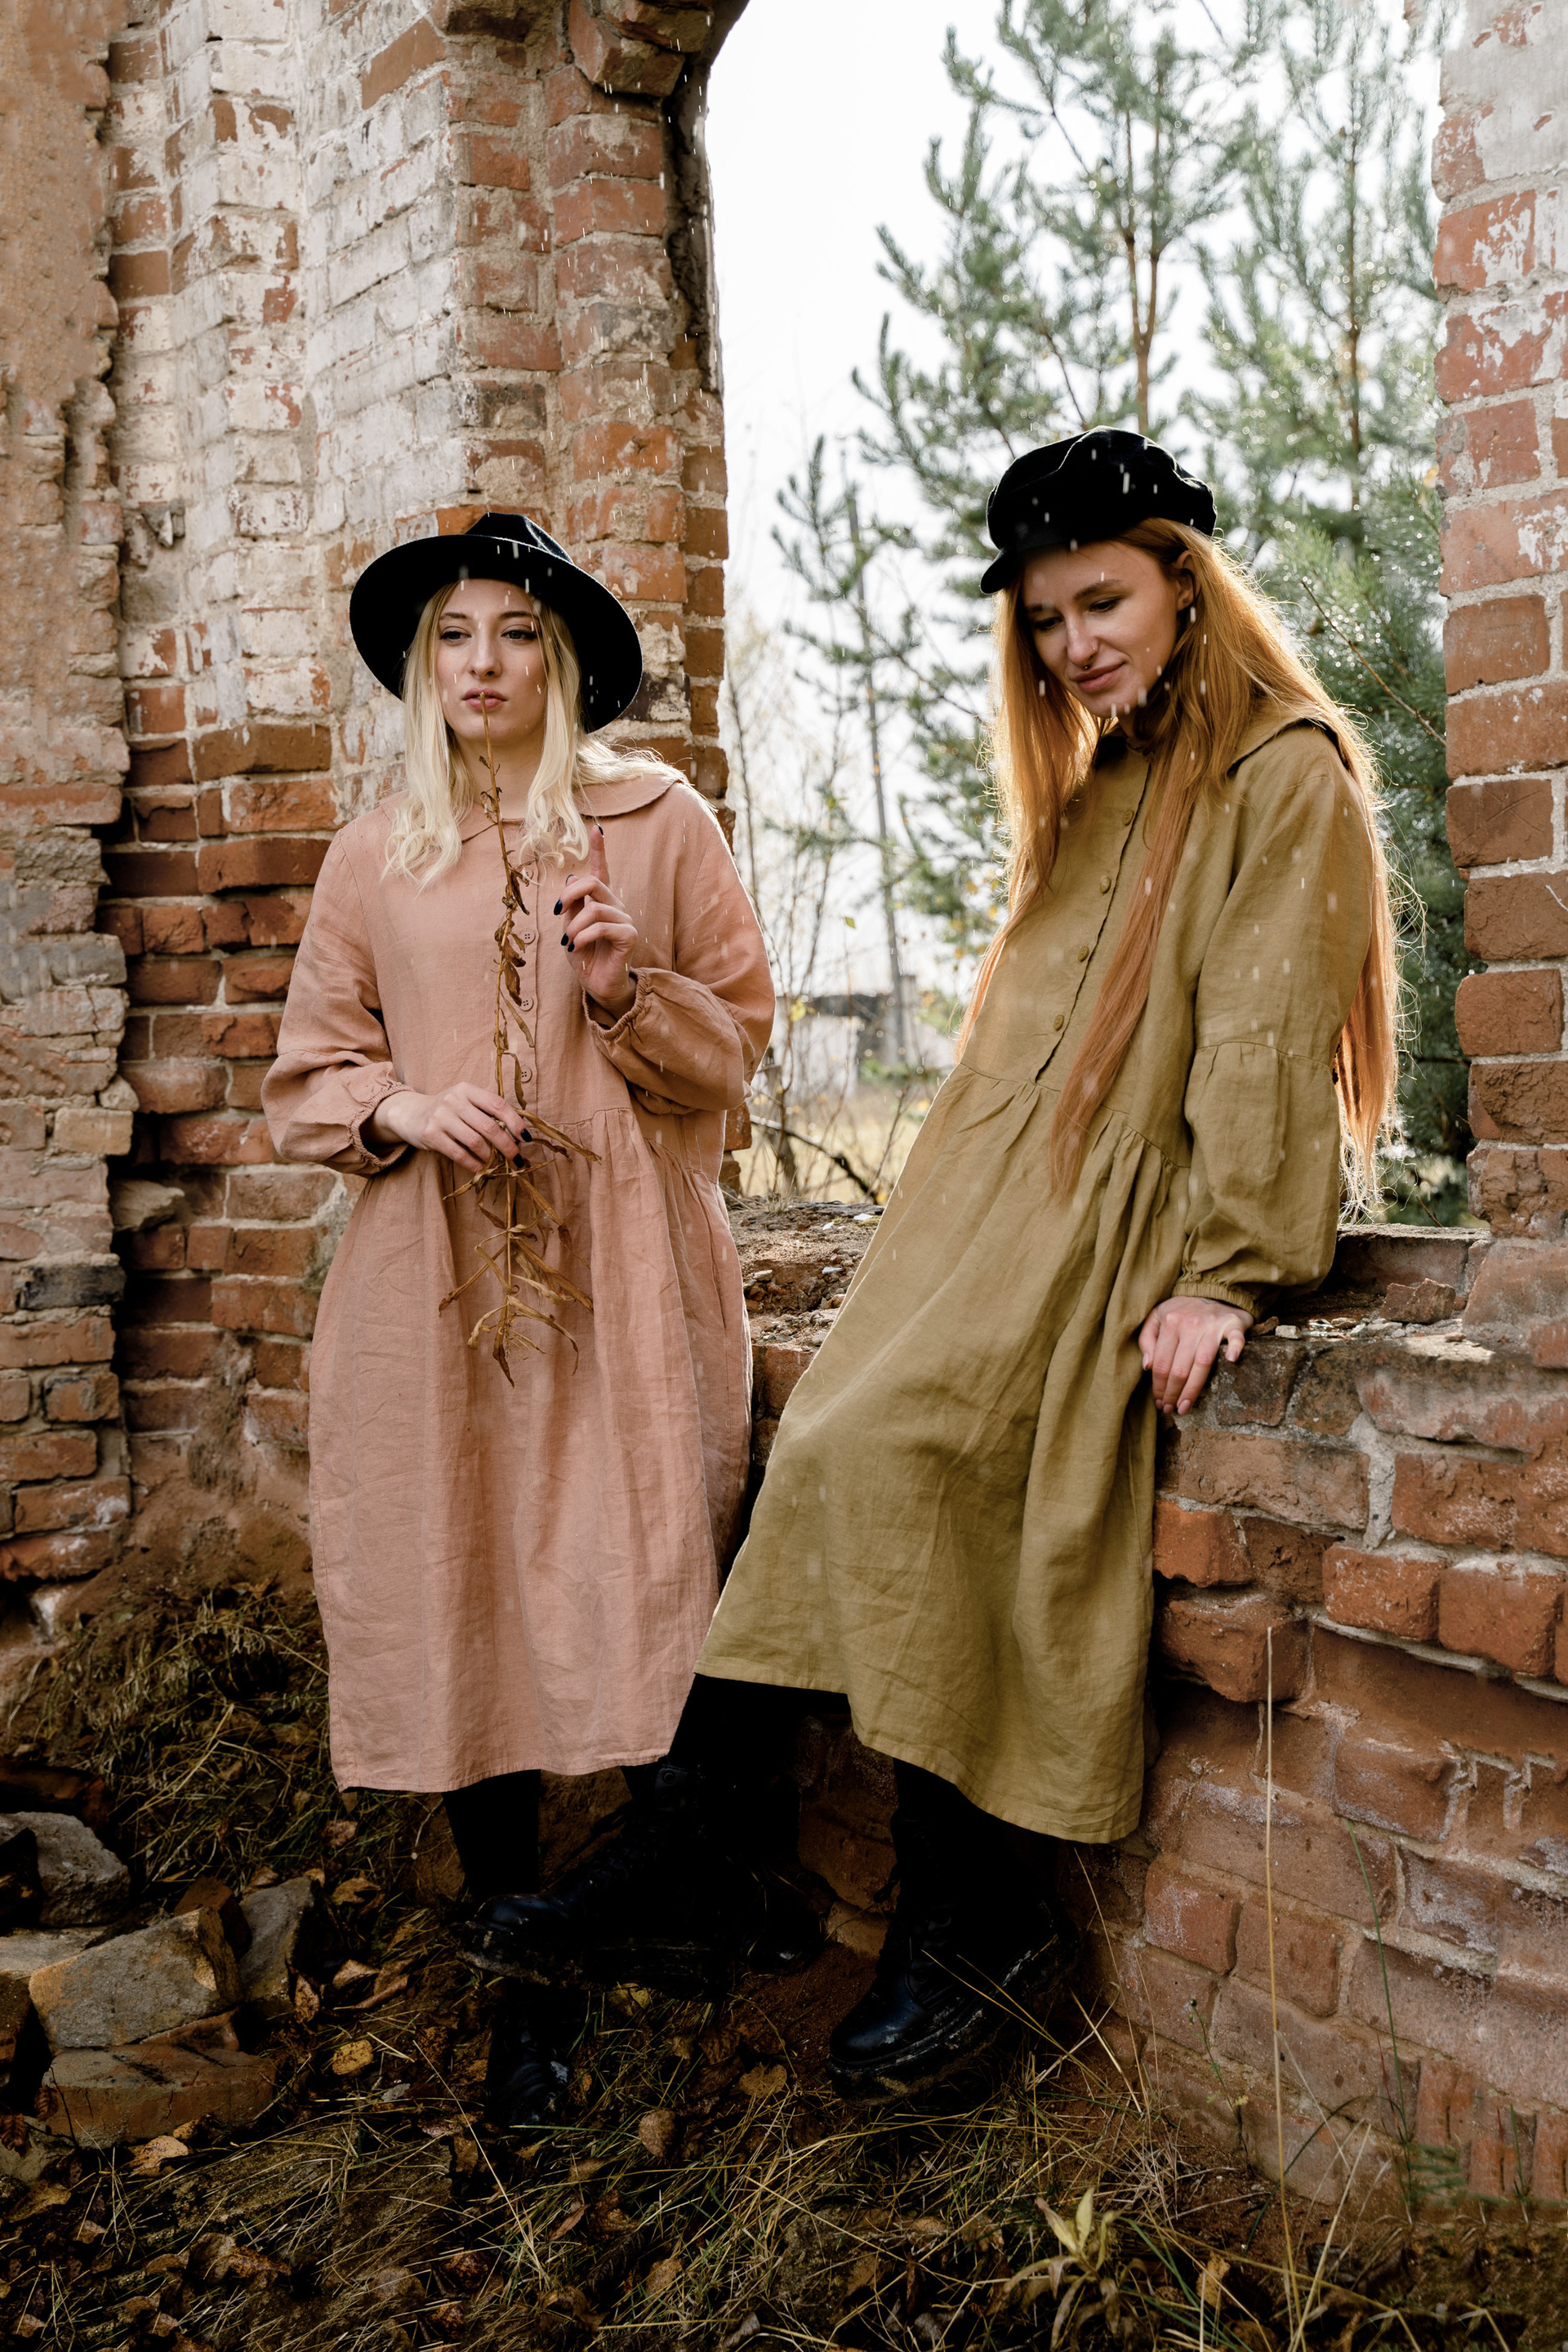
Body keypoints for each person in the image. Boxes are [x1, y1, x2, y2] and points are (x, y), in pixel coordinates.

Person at [466, 433, 1401, 2099]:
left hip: (1107, 1232)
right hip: (982, 1219)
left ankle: (975, 1930)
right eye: (1043, 620)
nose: (1073, 645)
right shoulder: (1109, 777)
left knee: (917, 1462)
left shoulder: (1285, 771)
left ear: (1186, 582)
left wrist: (1229, 1268)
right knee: (819, 1443)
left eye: (1102, 602)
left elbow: (1265, 1041)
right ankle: (705, 1848)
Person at [262, 512, 804, 2128]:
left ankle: (677, 1903)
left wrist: (628, 985)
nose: (482, 664)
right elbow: (310, 1069)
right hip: (433, 1279)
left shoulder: (656, 821)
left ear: (559, 663)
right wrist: (407, 1107)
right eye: (453, 636)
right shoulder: (379, 851)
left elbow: (737, 1050)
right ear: (420, 666)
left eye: (514, 635)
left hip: (623, 1263)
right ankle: (523, 1975)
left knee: (638, 1565)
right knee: (463, 1587)